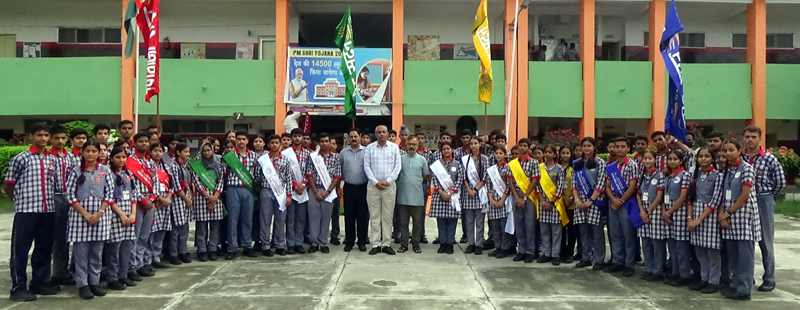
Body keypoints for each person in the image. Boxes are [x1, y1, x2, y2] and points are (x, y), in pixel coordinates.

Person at [5, 123, 61, 302]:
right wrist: (19, 202)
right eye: (39, 135)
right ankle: (18, 287)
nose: (43, 139)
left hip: (47, 210)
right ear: (31, 136)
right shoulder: (21, 158)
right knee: (20, 250)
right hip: (27, 211)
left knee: (44, 248)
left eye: (46, 135)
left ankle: (39, 281)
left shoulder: (52, 160)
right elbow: (9, 185)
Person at [66, 141, 113, 299]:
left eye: (94, 151)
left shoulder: (105, 171)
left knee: (96, 254)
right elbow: (70, 195)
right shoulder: (76, 171)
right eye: (88, 151)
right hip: (80, 219)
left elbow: (109, 194)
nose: (91, 154)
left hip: (101, 218)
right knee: (81, 254)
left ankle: (94, 282)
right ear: (83, 153)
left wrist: (99, 212)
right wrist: (85, 214)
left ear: (99, 153)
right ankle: (83, 285)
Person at [741, 126, 784, 292]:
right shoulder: (741, 158)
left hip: (763, 199)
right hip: (744, 200)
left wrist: (767, 197)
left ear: (759, 138)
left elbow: (780, 183)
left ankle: (769, 278)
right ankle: (747, 277)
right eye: (747, 136)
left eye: (753, 136)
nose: (750, 139)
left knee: (766, 241)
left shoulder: (769, 159)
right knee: (746, 241)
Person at [719, 140, 762, 301]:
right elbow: (724, 195)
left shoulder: (747, 169)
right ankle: (735, 285)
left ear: (739, 151)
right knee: (734, 256)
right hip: (730, 221)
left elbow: (744, 196)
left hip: (744, 220)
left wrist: (727, 213)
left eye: (731, 150)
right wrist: (723, 214)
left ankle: (744, 290)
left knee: (745, 257)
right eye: (725, 151)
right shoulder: (728, 171)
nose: (728, 154)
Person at [217, 131, 258, 260]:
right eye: (239, 139)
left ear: (247, 141)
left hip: (248, 189)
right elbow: (223, 174)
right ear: (236, 141)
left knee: (247, 219)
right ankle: (232, 247)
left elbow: (257, 175)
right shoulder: (229, 156)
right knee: (232, 219)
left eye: (243, 139)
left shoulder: (254, 157)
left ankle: (247, 245)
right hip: (232, 189)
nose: (241, 141)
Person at [687, 148, 724, 294]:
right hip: (694, 214)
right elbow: (690, 199)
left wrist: (699, 219)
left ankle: (713, 281)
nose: (703, 159)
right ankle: (704, 278)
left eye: (707, 156)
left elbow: (715, 200)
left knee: (712, 251)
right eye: (700, 156)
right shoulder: (695, 175)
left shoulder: (717, 176)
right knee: (700, 251)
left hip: (710, 216)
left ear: (712, 159)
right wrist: (690, 219)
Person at [104, 147, 139, 290]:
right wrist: (121, 214)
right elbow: (108, 197)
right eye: (117, 157)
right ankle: (112, 278)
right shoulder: (107, 173)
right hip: (115, 216)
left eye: (123, 157)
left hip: (129, 216)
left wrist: (132, 214)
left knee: (126, 247)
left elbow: (133, 195)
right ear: (111, 158)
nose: (121, 160)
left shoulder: (128, 174)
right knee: (114, 249)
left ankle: (123, 275)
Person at [604, 138, 640, 277]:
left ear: (628, 149)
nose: (619, 149)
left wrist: (621, 200)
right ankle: (617, 261)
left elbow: (632, 186)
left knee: (628, 234)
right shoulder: (611, 166)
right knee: (614, 233)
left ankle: (629, 263)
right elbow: (607, 186)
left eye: (622, 146)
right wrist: (614, 200)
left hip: (627, 203)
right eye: (617, 146)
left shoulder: (632, 165)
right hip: (613, 202)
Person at [363, 125, 402, 255]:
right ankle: (375, 244)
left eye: (384, 132)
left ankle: (386, 244)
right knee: (374, 216)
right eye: (379, 132)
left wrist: (388, 181)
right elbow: (366, 166)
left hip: (389, 187)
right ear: (376, 134)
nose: (381, 134)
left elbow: (397, 166)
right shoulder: (369, 148)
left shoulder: (394, 148)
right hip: (373, 187)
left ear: (387, 134)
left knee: (387, 216)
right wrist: (375, 182)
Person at [253, 135, 293, 257]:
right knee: (265, 219)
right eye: (272, 143)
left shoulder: (285, 160)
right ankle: (265, 245)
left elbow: (288, 179)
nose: (275, 145)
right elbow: (257, 176)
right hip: (266, 191)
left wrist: (289, 195)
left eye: (277, 143)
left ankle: (279, 244)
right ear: (269, 145)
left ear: (280, 144)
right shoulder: (263, 159)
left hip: (281, 192)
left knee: (280, 219)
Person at [571, 137, 607, 270]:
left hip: (595, 202)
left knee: (597, 232)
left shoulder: (600, 162)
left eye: (588, 146)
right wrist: (577, 200)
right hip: (579, 201)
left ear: (594, 147)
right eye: (584, 146)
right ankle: (586, 258)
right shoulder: (577, 163)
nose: (586, 148)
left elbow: (601, 183)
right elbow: (573, 184)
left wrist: (591, 200)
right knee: (583, 231)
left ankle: (599, 259)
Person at [47, 125, 76, 286]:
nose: (60, 141)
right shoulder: (46, 157)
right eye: (56, 138)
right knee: (51, 238)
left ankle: (62, 271)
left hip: (68, 198)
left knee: (65, 237)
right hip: (52, 198)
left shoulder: (70, 157)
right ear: (51, 139)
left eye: (63, 138)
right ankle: (51, 273)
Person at [306, 133, 341, 254]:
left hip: (328, 191)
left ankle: (323, 243)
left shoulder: (336, 157)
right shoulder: (313, 157)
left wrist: (328, 192)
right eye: (322, 141)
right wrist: (315, 191)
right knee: (314, 218)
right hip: (314, 190)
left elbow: (337, 176)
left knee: (326, 219)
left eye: (327, 141)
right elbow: (309, 174)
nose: (325, 143)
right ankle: (314, 243)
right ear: (319, 143)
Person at [637, 150, 668, 282]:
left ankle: (658, 270)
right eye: (645, 158)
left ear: (655, 160)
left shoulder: (660, 175)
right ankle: (648, 268)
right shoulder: (641, 176)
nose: (648, 161)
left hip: (654, 212)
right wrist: (642, 211)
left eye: (650, 158)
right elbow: (637, 194)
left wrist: (648, 211)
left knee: (657, 243)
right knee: (646, 242)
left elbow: (659, 196)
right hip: (642, 211)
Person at [128, 133, 157, 280]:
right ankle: (131, 266)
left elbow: (155, 181)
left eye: (146, 141)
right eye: (141, 141)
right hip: (137, 204)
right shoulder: (130, 161)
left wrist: (151, 198)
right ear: (135, 143)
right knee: (135, 235)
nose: (144, 144)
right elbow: (131, 185)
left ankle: (140, 264)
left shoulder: (150, 162)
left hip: (150, 203)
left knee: (144, 236)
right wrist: (142, 200)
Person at [508, 138, 541, 263]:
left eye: (524, 146)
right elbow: (510, 181)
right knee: (519, 225)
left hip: (530, 196)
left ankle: (530, 252)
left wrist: (525, 197)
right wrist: (517, 197)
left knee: (529, 225)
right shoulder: (513, 163)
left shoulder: (533, 162)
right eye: (520, 146)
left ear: (528, 148)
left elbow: (534, 180)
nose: (522, 148)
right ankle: (521, 250)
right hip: (516, 196)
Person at [395, 136, 429, 253]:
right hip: (402, 197)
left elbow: (425, 176)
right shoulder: (399, 159)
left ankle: (416, 244)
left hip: (417, 197)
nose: (411, 146)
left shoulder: (422, 160)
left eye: (414, 144)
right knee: (403, 223)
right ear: (405, 144)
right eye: (409, 144)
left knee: (417, 223)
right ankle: (404, 244)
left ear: (418, 145)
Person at [663, 150, 692, 287]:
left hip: (679, 214)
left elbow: (683, 197)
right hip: (668, 214)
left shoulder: (685, 175)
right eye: (670, 159)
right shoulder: (668, 176)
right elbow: (664, 195)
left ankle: (684, 274)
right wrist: (665, 211)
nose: (672, 161)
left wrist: (669, 212)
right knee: (672, 247)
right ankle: (675, 272)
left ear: (681, 161)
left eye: (675, 159)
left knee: (681, 248)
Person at [429, 142, 464, 255]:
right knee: (441, 221)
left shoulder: (457, 164)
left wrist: (451, 192)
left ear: (452, 150)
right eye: (444, 149)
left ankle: (450, 243)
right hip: (439, 196)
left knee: (452, 221)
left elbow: (460, 179)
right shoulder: (437, 164)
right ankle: (442, 243)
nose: (446, 151)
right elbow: (434, 179)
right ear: (441, 151)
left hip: (453, 196)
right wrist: (440, 191)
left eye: (448, 149)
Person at [191, 143, 224, 261]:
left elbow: (221, 181)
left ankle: (213, 248)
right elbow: (196, 181)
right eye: (204, 151)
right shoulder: (197, 165)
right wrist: (207, 196)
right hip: (201, 198)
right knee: (201, 227)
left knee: (215, 226)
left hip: (216, 198)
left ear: (213, 150)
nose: (207, 153)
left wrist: (214, 197)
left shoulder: (219, 164)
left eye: (209, 150)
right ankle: (202, 249)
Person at [339, 128, 369, 252]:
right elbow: (339, 170)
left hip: (363, 187)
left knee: (363, 216)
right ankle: (349, 241)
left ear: (360, 137)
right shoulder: (343, 153)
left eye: (355, 136)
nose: (353, 139)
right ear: (348, 138)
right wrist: (339, 187)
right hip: (349, 187)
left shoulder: (367, 152)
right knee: (349, 215)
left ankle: (362, 241)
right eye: (351, 137)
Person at [148, 143, 178, 268]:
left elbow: (173, 184)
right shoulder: (147, 165)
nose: (158, 153)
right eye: (155, 151)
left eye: (160, 151)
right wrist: (159, 198)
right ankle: (148, 259)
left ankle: (156, 256)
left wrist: (168, 199)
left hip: (165, 202)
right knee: (151, 232)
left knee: (161, 230)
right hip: (154, 202)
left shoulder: (166, 167)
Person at [537, 145, 566, 265]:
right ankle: (546, 253)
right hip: (542, 203)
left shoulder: (559, 168)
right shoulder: (539, 168)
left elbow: (560, 187)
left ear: (555, 154)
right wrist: (543, 201)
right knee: (544, 230)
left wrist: (552, 202)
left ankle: (555, 255)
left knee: (556, 231)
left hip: (555, 204)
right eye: (546, 152)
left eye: (550, 152)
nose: (548, 154)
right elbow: (537, 186)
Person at [460, 136, 489, 255]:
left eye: (475, 143)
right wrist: (468, 189)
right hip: (468, 193)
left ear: (480, 144)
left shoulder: (485, 159)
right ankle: (470, 243)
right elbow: (463, 176)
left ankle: (478, 244)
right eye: (471, 144)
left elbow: (485, 176)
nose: (473, 145)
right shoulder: (465, 159)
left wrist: (476, 189)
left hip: (480, 192)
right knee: (469, 221)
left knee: (480, 221)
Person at [285, 128, 312, 254]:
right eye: (295, 136)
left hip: (303, 190)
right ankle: (290, 243)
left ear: (302, 138)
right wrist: (295, 185)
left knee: (301, 219)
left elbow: (310, 171)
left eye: (299, 136)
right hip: (291, 190)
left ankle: (298, 242)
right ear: (292, 138)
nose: (297, 138)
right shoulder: (286, 154)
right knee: (290, 218)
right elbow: (286, 172)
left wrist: (303, 184)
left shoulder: (308, 154)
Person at [168, 143, 193, 265]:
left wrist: (190, 196)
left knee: (185, 227)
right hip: (178, 199)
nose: (188, 154)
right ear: (178, 152)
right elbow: (176, 185)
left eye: (188, 152)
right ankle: (174, 253)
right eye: (185, 152)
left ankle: (183, 251)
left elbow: (189, 183)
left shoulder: (186, 165)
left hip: (186, 197)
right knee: (176, 228)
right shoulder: (174, 166)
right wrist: (186, 198)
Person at [486, 148, 513, 258]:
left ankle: (504, 248)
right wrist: (491, 199)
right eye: (496, 153)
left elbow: (508, 186)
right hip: (493, 200)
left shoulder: (508, 168)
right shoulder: (491, 169)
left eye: (501, 153)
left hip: (504, 200)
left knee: (503, 226)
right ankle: (497, 247)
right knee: (495, 226)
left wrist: (502, 200)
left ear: (505, 155)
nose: (498, 155)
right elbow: (488, 185)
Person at [558, 145, 578, 263]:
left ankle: (569, 253)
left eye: (567, 153)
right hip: (559, 202)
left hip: (572, 202)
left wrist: (570, 197)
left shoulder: (575, 168)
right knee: (560, 229)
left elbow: (577, 184)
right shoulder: (556, 168)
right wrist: (562, 197)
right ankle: (561, 251)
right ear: (559, 154)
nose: (565, 155)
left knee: (571, 230)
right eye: (563, 153)